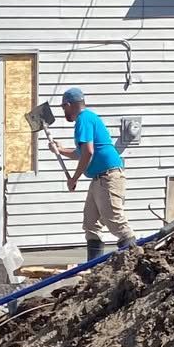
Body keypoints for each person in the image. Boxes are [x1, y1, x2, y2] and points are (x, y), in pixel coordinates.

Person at [59, 86, 135, 259]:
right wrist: (61, 150)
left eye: (63, 107)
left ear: (69, 105)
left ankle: (135, 262)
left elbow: (88, 152)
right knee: (91, 223)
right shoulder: (88, 118)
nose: (64, 111)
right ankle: (94, 267)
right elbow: (81, 153)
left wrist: (74, 178)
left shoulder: (84, 119)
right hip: (99, 178)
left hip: (108, 177)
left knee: (115, 221)